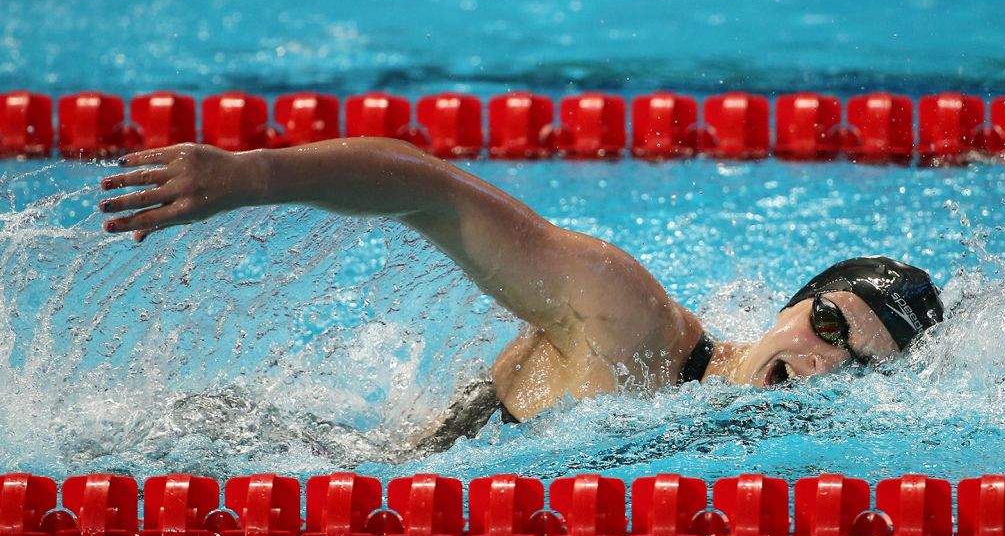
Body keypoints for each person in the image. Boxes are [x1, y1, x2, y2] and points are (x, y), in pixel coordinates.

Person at [99, 137, 944, 448]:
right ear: (791, 306)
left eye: (859, 365)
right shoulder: (628, 319)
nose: (824, 364)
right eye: (830, 324)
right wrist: (254, 175)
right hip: (261, 459)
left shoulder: (747, 449)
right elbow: (434, 190)